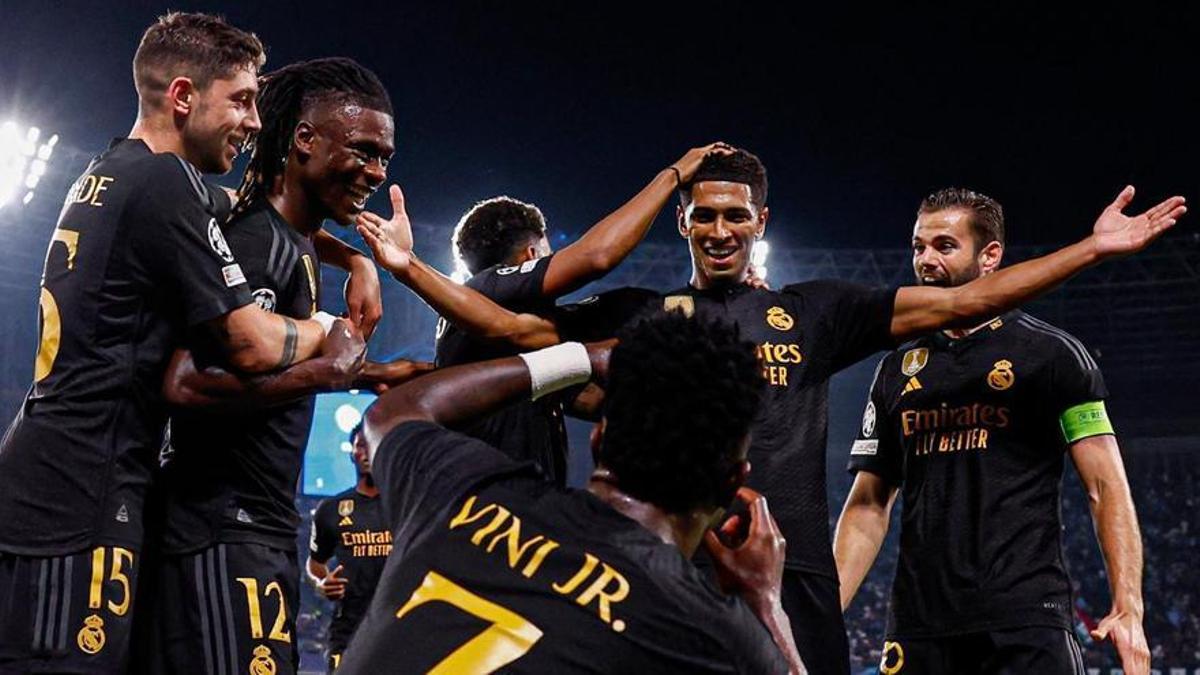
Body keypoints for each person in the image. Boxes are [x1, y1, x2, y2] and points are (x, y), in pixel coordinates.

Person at [356, 148, 1184, 674]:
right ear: (683, 220)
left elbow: (962, 300)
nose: (720, 229)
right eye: (705, 215)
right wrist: (408, 271)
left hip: (790, 576)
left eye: (736, 217)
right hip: (659, 569)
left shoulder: (816, 311)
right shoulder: (638, 310)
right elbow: (505, 328)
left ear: (761, 225)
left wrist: (1088, 250)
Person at [0, 13, 352, 671]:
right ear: (184, 97)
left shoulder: (116, 172)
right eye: (242, 100)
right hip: (80, 501)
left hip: (49, 481)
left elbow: (239, 207)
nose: (254, 122)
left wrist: (354, 259)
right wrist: (328, 330)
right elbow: (248, 343)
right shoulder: (165, 184)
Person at [142, 57, 431, 675]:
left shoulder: (295, 237)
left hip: (255, 526)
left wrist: (360, 264)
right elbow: (186, 383)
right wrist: (328, 374)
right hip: (218, 526)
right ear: (304, 140)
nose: (378, 171)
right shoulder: (250, 242)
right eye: (364, 150)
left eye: (386, 155)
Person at [340, 311, 805, 673]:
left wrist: (576, 358)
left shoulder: (465, 489)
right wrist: (764, 602)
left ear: (598, 437)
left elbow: (393, 411)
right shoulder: (708, 632)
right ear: (733, 482)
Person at [833, 188, 1150, 675]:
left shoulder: (1052, 355)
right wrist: (824, 612)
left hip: (1025, 621)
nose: (925, 260)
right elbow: (869, 504)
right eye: (918, 246)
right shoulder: (896, 370)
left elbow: (1106, 486)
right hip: (920, 626)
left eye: (944, 245)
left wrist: (1129, 603)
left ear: (990, 256)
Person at [370, 143, 729, 485]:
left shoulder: (492, 329)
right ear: (530, 254)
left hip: (499, 504)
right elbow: (597, 256)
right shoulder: (489, 288)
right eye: (549, 250)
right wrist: (673, 174)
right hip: (490, 507)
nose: (555, 257)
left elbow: (585, 398)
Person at [308, 423, 391, 670]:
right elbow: (315, 563)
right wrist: (321, 584)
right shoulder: (331, 510)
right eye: (360, 446)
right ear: (352, 454)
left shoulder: (405, 503)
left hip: (398, 625)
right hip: (349, 630)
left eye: (372, 445)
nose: (366, 453)